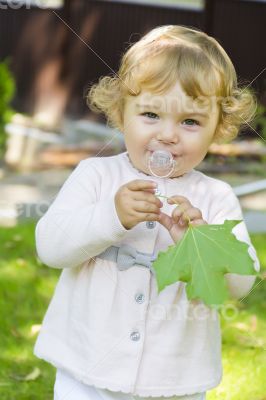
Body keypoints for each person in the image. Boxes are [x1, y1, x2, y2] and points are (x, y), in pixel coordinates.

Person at [34, 25, 260, 400]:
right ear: (122, 114)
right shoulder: (96, 176)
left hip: (175, 381)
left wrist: (199, 243)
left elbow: (240, 285)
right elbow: (51, 247)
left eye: (190, 121)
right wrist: (112, 217)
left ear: (218, 129)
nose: (168, 135)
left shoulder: (215, 197)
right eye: (151, 114)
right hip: (86, 370)